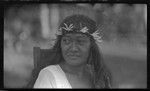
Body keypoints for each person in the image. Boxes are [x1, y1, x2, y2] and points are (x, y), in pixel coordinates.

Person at [33, 14, 112, 88]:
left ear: (92, 47)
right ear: (60, 45)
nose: (73, 48)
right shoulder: (49, 76)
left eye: (80, 41)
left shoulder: (98, 76)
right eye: (67, 41)